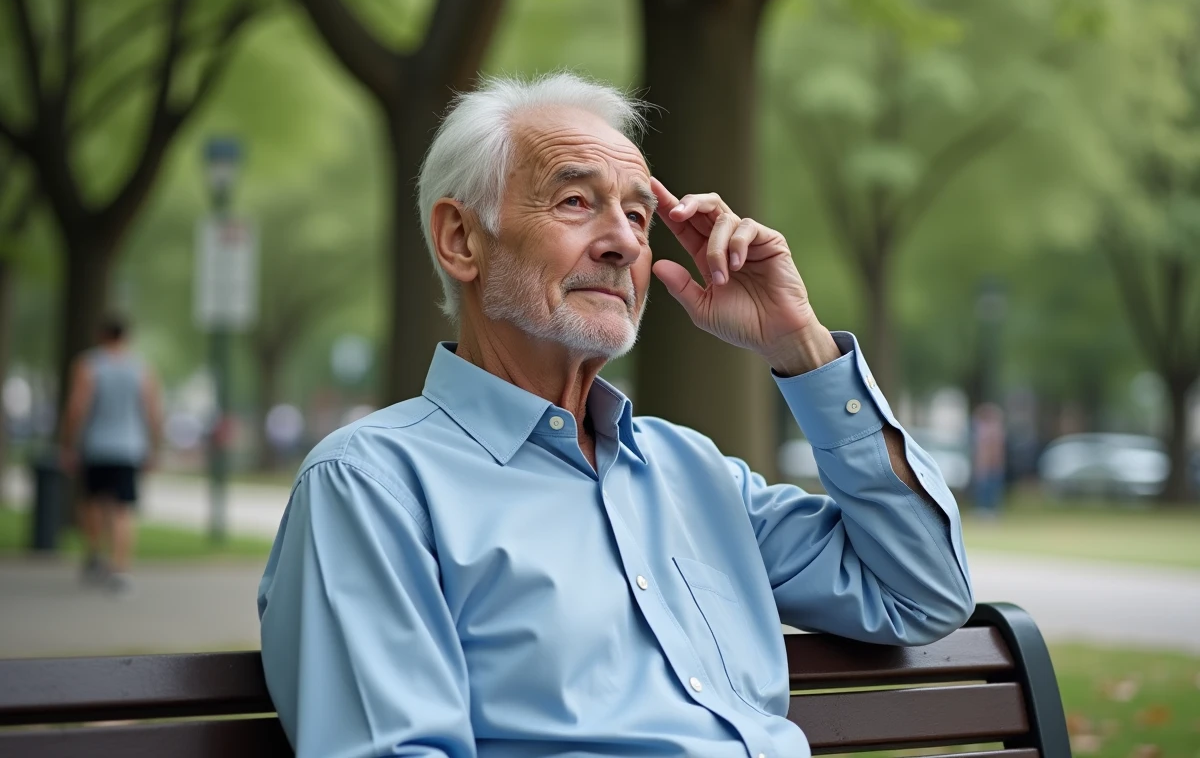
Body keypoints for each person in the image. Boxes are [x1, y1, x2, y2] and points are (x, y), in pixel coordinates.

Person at [258, 73, 974, 758]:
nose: (626, 241)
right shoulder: (371, 486)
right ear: (461, 240)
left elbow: (922, 593)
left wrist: (802, 347)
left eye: (638, 214)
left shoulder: (693, 472)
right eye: (574, 201)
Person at [60, 315, 164, 595]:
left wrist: (68, 443)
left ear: (101, 335)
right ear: (126, 337)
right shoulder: (142, 369)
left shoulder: (88, 365)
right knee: (123, 508)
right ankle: (121, 568)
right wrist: (155, 446)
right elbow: (153, 411)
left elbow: (76, 406)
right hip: (130, 447)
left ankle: (95, 553)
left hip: (96, 445)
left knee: (92, 501)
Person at [971, 402, 1007, 517]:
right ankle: (985, 510)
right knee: (985, 488)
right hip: (985, 464)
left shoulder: (994, 430)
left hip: (992, 464)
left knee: (992, 488)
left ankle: (991, 510)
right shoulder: (983, 430)